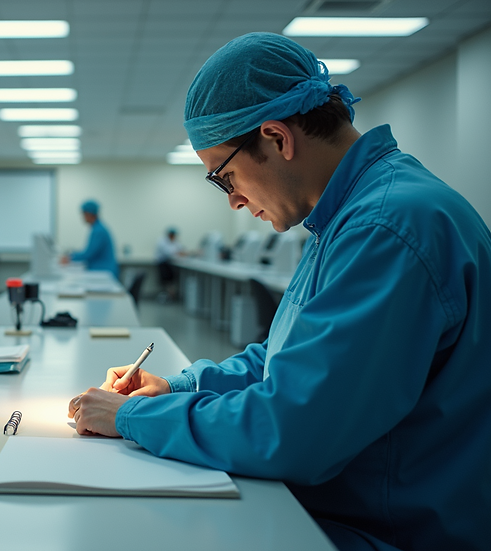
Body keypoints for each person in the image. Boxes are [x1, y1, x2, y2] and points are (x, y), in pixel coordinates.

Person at [69, 32, 491, 551]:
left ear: (275, 138)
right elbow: (285, 360)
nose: (234, 202)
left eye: (224, 178)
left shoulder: (385, 227)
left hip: (381, 531)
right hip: (347, 507)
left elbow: (292, 432)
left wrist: (132, 416)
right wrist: (179, 387)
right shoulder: (349, 214)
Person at [62, 200, 118, 278]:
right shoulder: (97, 228)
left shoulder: (98, 231)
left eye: (83, 214)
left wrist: (69, 258)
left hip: (103, 271)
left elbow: (88, 253)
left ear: (89, 214)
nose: (82, 217)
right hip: (101, 270)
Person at [153, 227, 184, 302]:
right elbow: (169, 253)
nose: (174, 237)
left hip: (170, 264)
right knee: (166, 280)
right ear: (169, 234)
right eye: (172, 235)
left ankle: (171, 293)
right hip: (163, 263)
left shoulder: (174, 241)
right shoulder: (162, 241)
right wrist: (179, 253)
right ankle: (168, 293)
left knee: (172, 279)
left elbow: (180, 249)